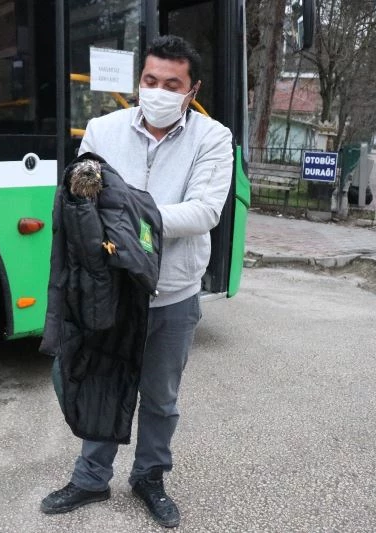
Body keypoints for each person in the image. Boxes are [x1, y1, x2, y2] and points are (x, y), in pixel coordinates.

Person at [40, 35, 233, 528]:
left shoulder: (212, 138)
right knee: (103, 380)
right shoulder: (102, 131)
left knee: (162, 398)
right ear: (139, 80)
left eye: (173, 84)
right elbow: (80, 199)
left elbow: (204, 211)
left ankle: (149, 476)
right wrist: (120, 222)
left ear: (193, 90)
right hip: (113, 291)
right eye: (150, 81)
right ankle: (90, 478)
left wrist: (124, 217)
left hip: (174, 293)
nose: (159, 91)